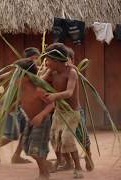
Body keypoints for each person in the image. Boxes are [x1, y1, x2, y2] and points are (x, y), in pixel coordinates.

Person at [0, 47, 41, 165]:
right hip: (10, 107)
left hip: (19, 107)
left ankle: (16, 156)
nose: (34, 62)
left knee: (27, 130)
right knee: (11, 136)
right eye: (32, 59)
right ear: (25, 60)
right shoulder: (15, 72)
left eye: (36, 59)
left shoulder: (35, 73)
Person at [43, 43, 84, 178]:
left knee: (67, 138)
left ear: (56, 60)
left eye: (48, 59)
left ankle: (78, 167)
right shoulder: (51, 71)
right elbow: (40, 81)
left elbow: (69, 92)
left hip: (72, 112)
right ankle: (67, 163)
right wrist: (26, 75)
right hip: (59, 112)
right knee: (55, 137)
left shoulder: (71, 72)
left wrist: (54, 96)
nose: (46, 62)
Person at [17, 58, 54, 180]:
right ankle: (46, 165)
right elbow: (20, 102)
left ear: (27, 76)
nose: (14, 77)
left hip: (42, 121)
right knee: (27, 147)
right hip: (30, 121)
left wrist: (41, 115)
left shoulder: (38, 90)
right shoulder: (19, 88)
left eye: (18, 74)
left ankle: (44, 173)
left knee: (36, 149)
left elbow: (51, 104)